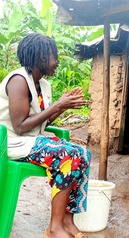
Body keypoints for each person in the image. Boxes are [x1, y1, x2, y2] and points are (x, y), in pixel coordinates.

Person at [0, 33, 91, 238]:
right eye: (54, 57)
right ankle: (54, 228)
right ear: (39, 56)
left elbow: (41, 122)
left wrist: (62, 107)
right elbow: (20, 126)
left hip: (32, 140)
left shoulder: (44, 85)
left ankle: (68, 222)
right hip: (12, 142)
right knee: (68, 155)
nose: (57, 62)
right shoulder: (18, 81)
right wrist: (58, 105)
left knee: (83, 154)